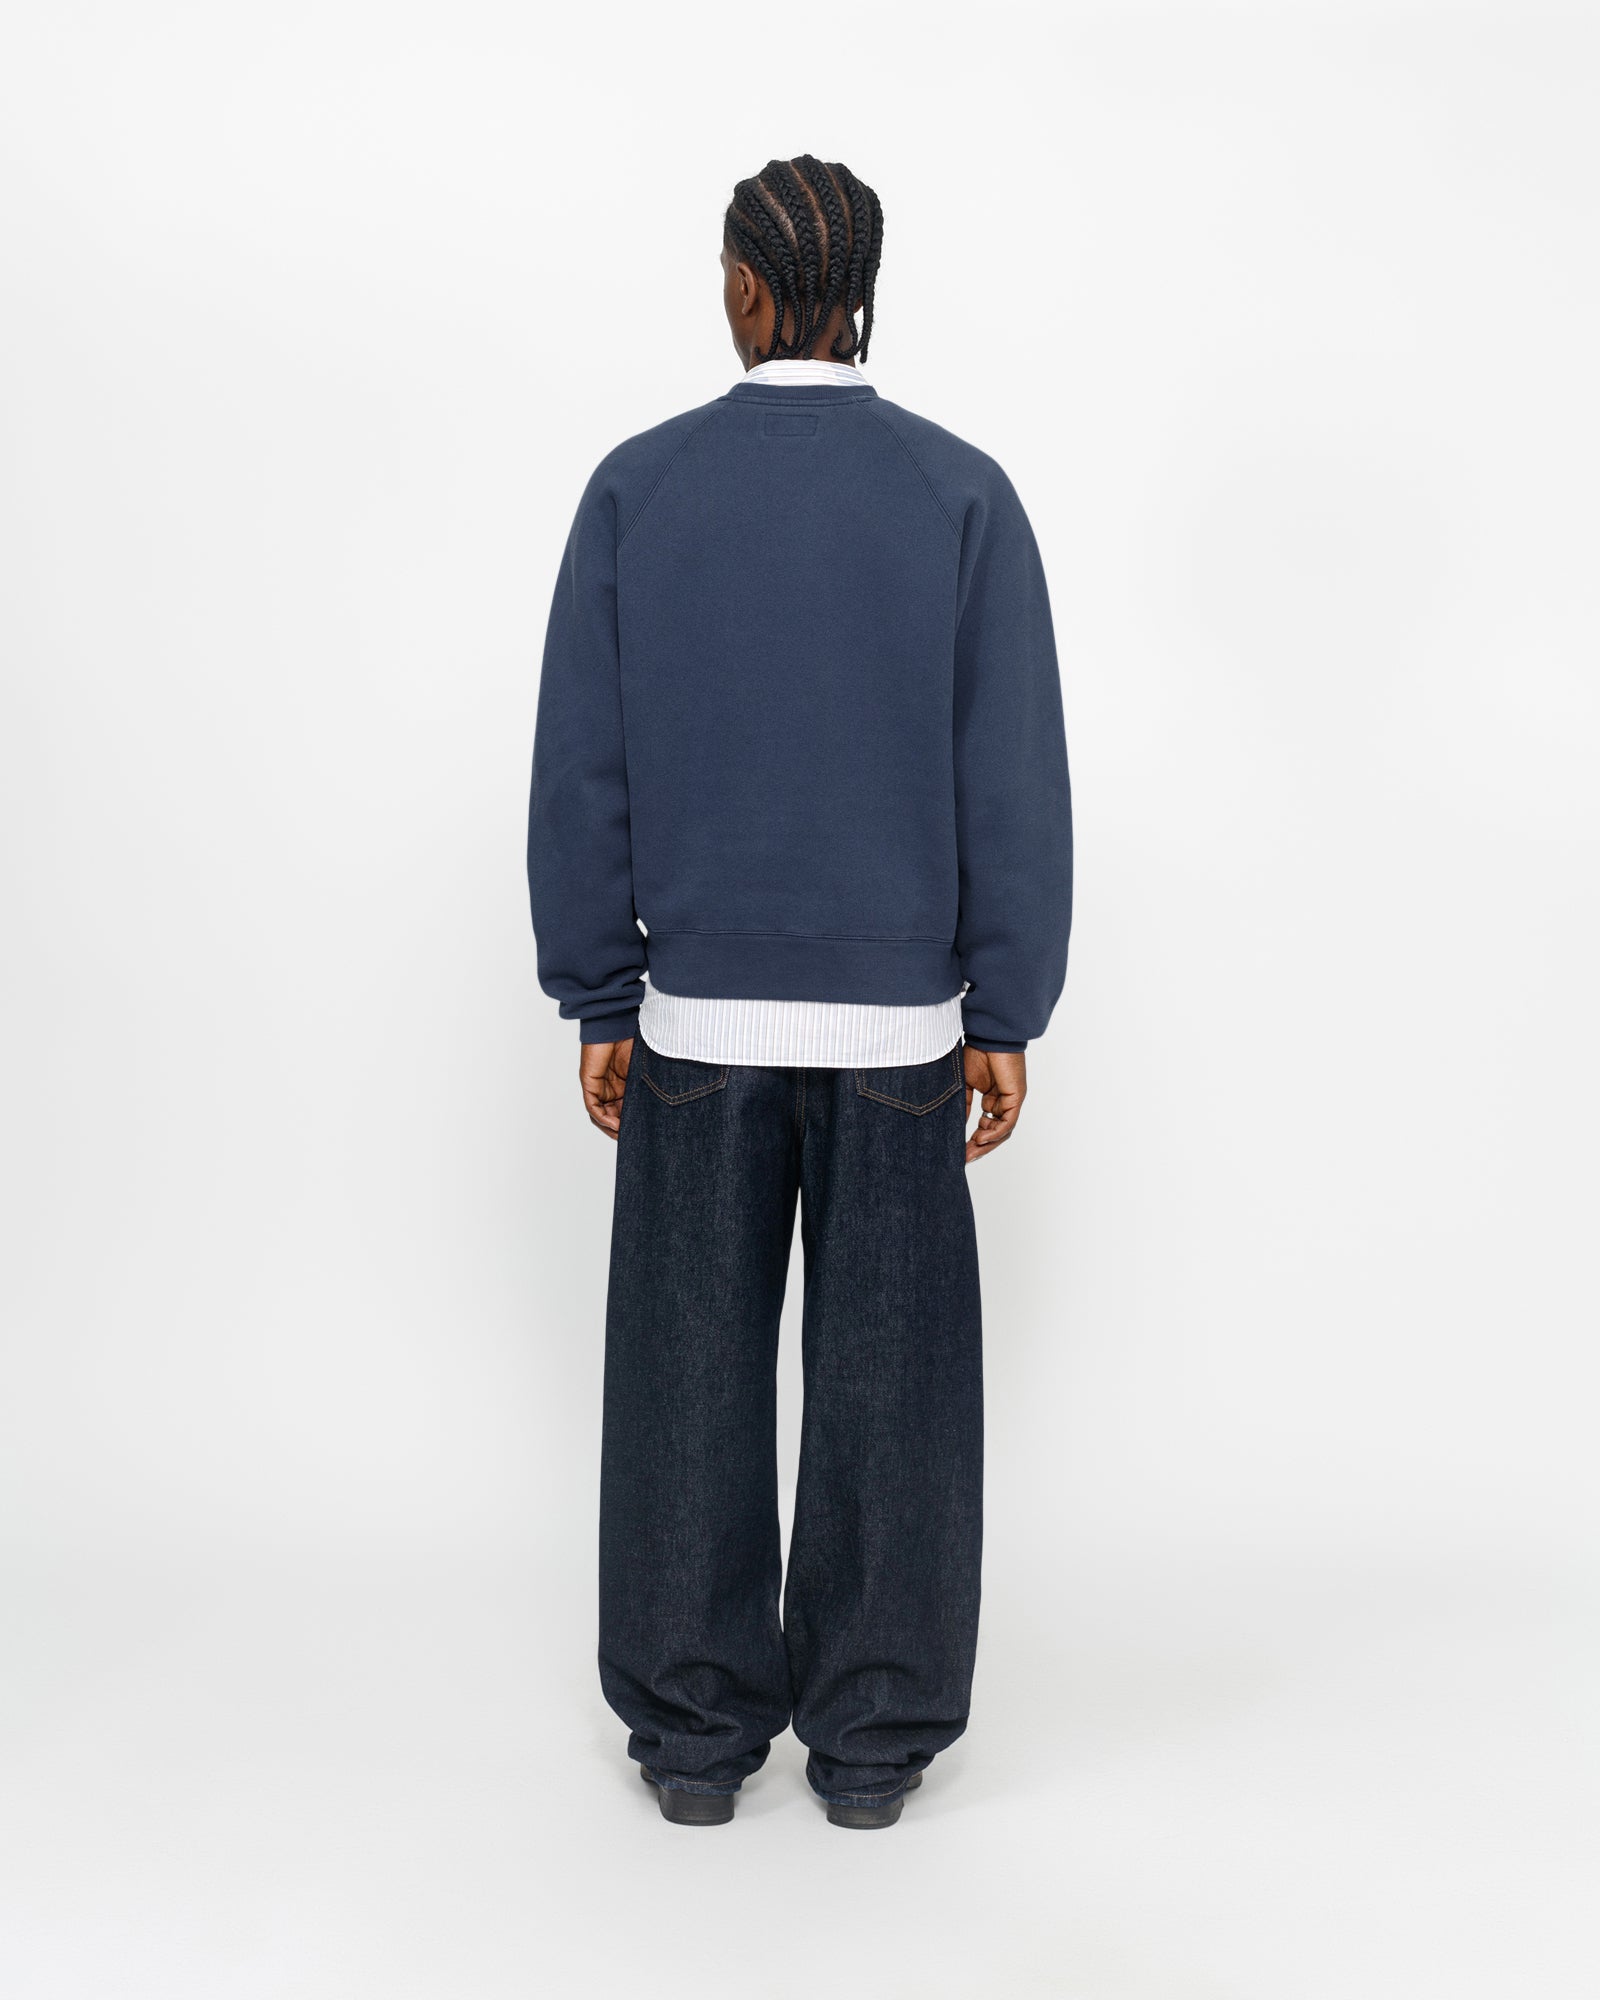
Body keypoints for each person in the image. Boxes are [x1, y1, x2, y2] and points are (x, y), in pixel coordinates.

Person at [526, 156, 1072, 1830]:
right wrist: (1004, 1009)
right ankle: (874, 1749)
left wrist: (600, 994)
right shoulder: (962, 496)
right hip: (902, 1029)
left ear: (746, 289)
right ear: (863, 296)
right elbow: (1010, 774)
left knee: (683, 1388)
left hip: (695, 1023)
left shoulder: (640, 490)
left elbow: (585, 766)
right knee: (892, 1400)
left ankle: (695, 1750)